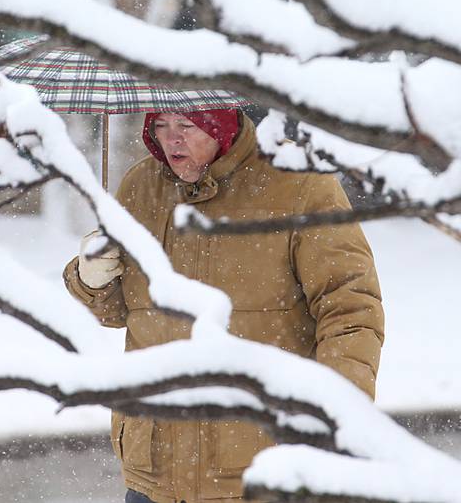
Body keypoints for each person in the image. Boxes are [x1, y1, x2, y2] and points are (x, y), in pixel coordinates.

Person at [63, 108, 384, 503]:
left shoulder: (299, 186)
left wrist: (338, 417)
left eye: (185, 125)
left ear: (222, 123)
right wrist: (89, 278)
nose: (171, 140)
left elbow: (350, 311)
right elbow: (123, 312)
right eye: (160, 126)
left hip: (260, 467)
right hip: (153, 473)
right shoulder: (140, 186)